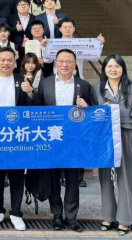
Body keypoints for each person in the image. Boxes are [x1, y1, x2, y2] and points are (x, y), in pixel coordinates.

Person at [28, 49, 93, 233]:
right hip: (52, 137)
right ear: (56, 63)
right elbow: (37, 109)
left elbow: (92, 112)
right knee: (53, 178)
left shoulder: (83, 85)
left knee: (73, 179)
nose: (65, 64)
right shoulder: (45, 83)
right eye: (61, 61)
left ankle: (71, 217)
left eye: (69, 61)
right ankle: (56, 214)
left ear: (74, 64)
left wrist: (86, 106)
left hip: (74, 139)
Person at [0, 49, 32, 231]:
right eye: (3, 60)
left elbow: (33, 107)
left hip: (17, 135)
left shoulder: (23, 80)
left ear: (15, 62)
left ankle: (16, 213)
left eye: (10, 60)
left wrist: (30, 93)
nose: (6, 63)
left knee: (17, 175)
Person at [92, 55, 132, 236]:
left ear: (123, 69)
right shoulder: (97, 88)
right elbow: (93, 114)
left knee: (125, 179)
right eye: (109, 66)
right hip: (104, 137)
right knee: (105, 179)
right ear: (104, 69)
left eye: (117, 66)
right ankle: (108, 216)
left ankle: (124, 220)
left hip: (125, 134)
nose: (113, 70)